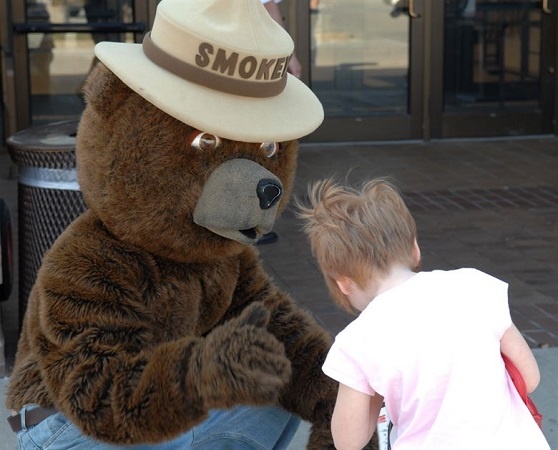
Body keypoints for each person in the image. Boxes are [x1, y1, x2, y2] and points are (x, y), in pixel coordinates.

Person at [297, 177, 550, 450]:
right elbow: (530, 378)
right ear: (415, 249)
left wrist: (372, 391)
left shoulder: (357, 342)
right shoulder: (474, 285)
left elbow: (349, 441)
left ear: (343, 283)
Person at [256, 0, 302, 245]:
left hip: (208, 56)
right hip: (246, 59)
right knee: (253, 145)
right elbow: (267, 7)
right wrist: (289, 56)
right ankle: (246, 222)